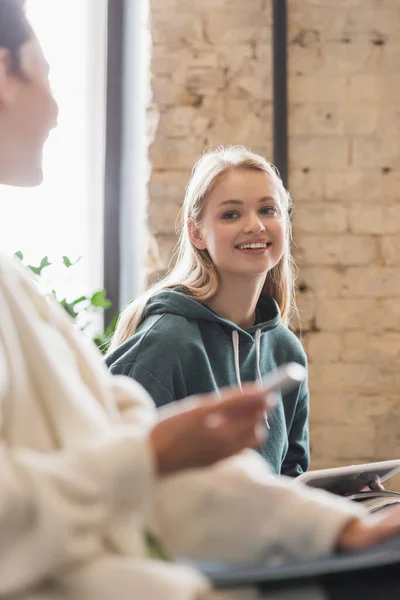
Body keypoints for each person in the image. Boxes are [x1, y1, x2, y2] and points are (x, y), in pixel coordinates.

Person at [2, 3, 400, 600]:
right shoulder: (165, 339)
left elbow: (169, 480)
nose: (58, 111)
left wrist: (340, 527)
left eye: (268, 209)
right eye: (44, 72)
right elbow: (136, 474)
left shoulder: (17, 293)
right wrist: (150, 455)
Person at [107, 145, 309, 477]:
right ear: (196, 233)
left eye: (268, 210)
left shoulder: (286, 351)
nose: (255, 225)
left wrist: (343, 498)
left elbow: (291, 476)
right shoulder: (164, 342)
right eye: (231, 214)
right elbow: (113, 475)